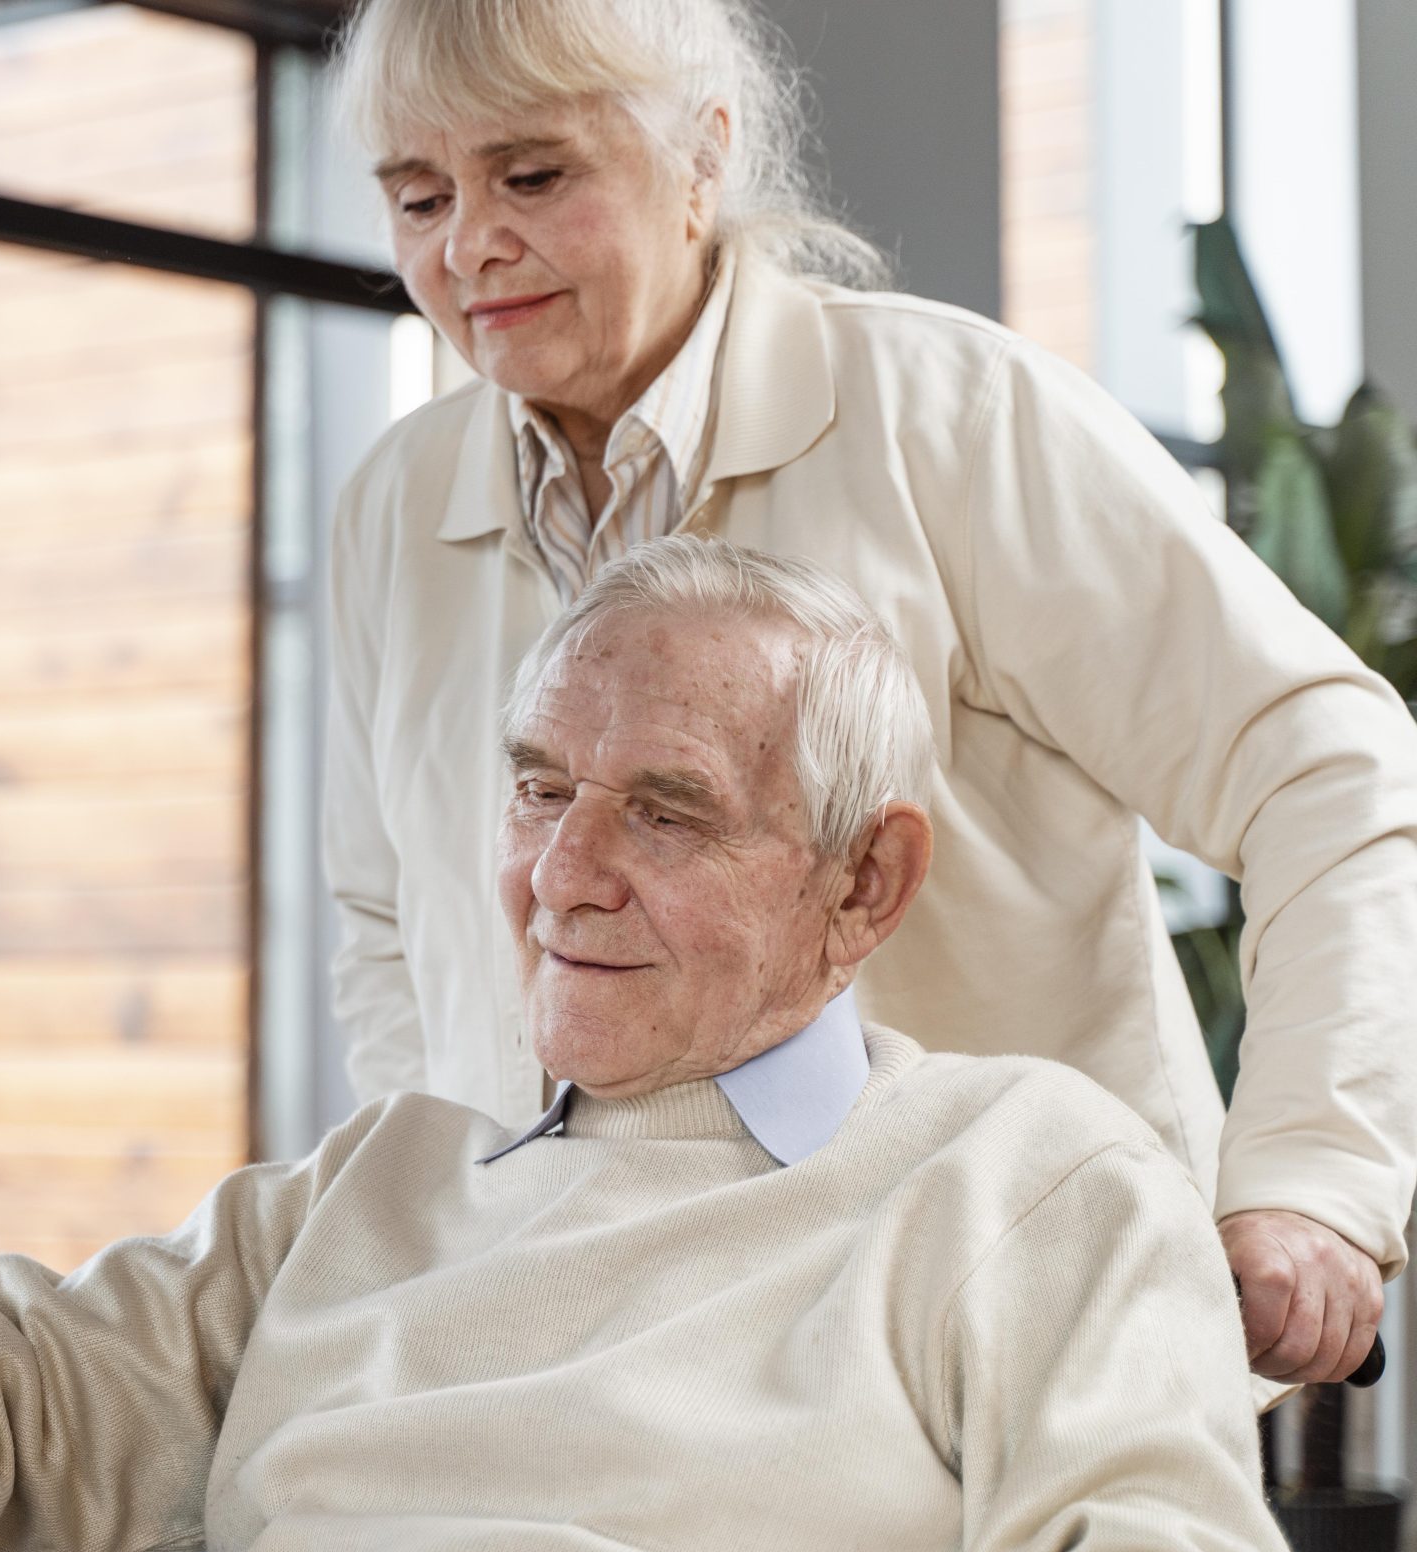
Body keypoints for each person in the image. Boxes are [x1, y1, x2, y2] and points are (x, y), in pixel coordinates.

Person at [0, 539, 1300, 1552]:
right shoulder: (376, 1183)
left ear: (864, 885)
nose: (560, 876)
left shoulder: (1025, 1176)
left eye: (663, 812)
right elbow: (24, 1411)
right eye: (538, 789)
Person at [321, 0, 1417, 1391]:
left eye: (532, 177)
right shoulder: (391, 509)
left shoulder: (948, 417)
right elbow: (384, 931)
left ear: (702, 159)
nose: (467, 244)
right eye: (419, 197)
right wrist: (446, 1241)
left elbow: (1325, 764)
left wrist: (1316, 1177)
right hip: (592, 1379)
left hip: (1005, 1357)